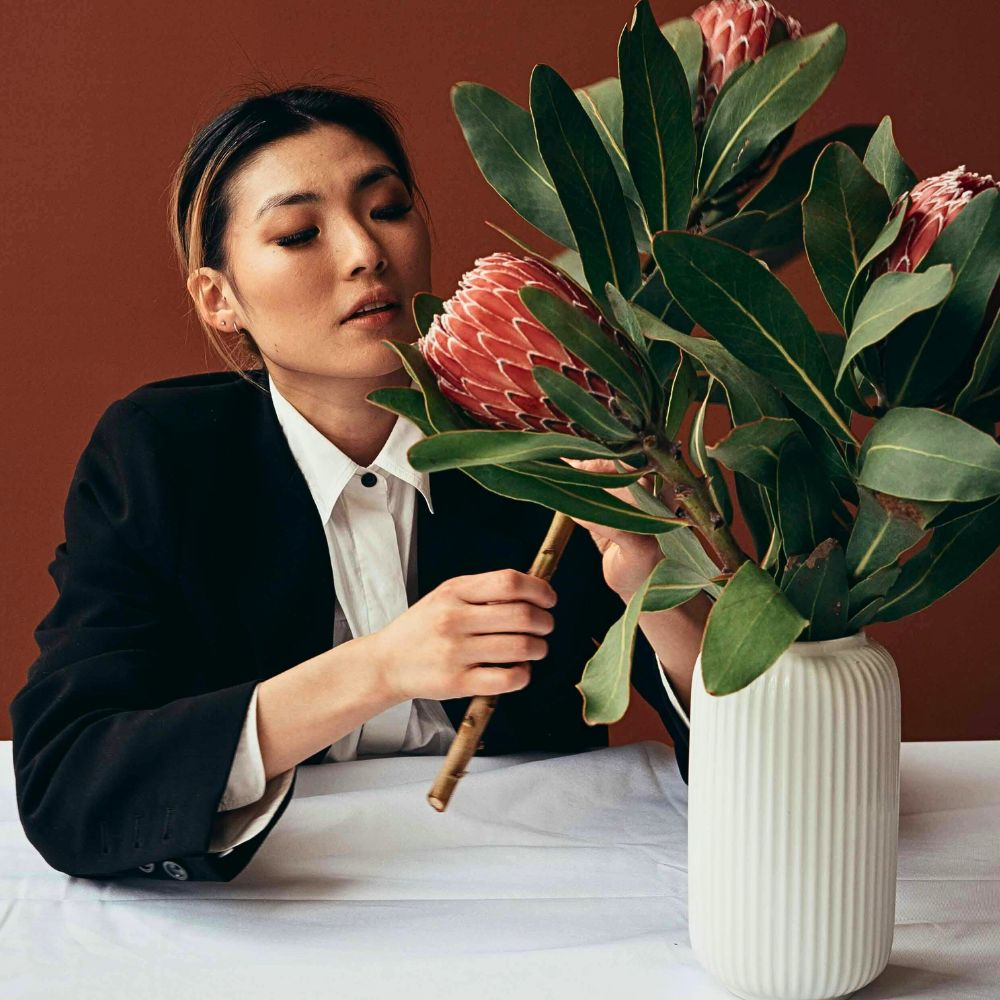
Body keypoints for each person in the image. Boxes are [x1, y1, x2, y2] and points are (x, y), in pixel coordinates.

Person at [9, 85, 705, 885]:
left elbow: (750, 748)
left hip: (550, 881)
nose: (365, 253)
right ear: (220, 297)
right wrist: (381, 668)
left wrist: (655, 580)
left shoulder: (541, 424)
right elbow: (69, 785)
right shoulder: (158, 457)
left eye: (388, 208)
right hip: (277, 908)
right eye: (300, 232)